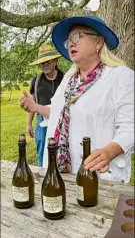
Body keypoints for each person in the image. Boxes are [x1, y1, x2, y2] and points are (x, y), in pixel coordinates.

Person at [20, 15, 134, 183]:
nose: (71, 43)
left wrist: (109, 152)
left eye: (76, 37)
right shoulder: (68, 80)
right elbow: (57, 114)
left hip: (97, 176)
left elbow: (130, 126)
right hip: (61, 173)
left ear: (99, 42)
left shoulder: (120, 76)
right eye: (68, 41)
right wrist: (35, 107)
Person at [26, 44, 63, 167]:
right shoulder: (36, 81)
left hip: (61, 119)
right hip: (41, 120)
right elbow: (32, 103)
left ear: (55, 61)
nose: (45, 65)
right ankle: (42, 176)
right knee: (42, 151)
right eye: (42, 63)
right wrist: (28, 124)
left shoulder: (65, 79)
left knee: (61, 150)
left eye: (48, 61)